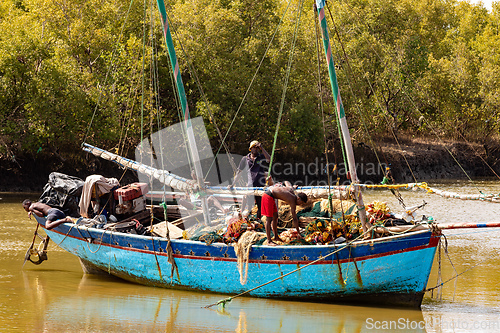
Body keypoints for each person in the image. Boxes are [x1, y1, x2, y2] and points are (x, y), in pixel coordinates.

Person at [230, 140, 271, 218]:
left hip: (260, 185)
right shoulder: (245, 159)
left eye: (257, 148)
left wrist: (262, 148)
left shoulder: (261, 157)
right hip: (250, 185)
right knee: (249, 206)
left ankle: (258, 220)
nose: (256, 149)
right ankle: (248, 221)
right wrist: (233, 184)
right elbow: (239, 172)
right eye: (254, 148)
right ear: (250, 149)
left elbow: (269, 159)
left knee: (260, 205)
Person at [261, 181, 308, 245]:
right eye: (301, 203)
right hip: (267, 196)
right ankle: (269, 241)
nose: (300, 205)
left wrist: (293, 187)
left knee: (275, 216)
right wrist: (298, 232)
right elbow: (294, 218)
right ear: (298, 198)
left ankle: (276, 237)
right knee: (269, 219)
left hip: (271, 196)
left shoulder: (291, 189)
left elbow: (287, 182)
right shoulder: (293, 200)